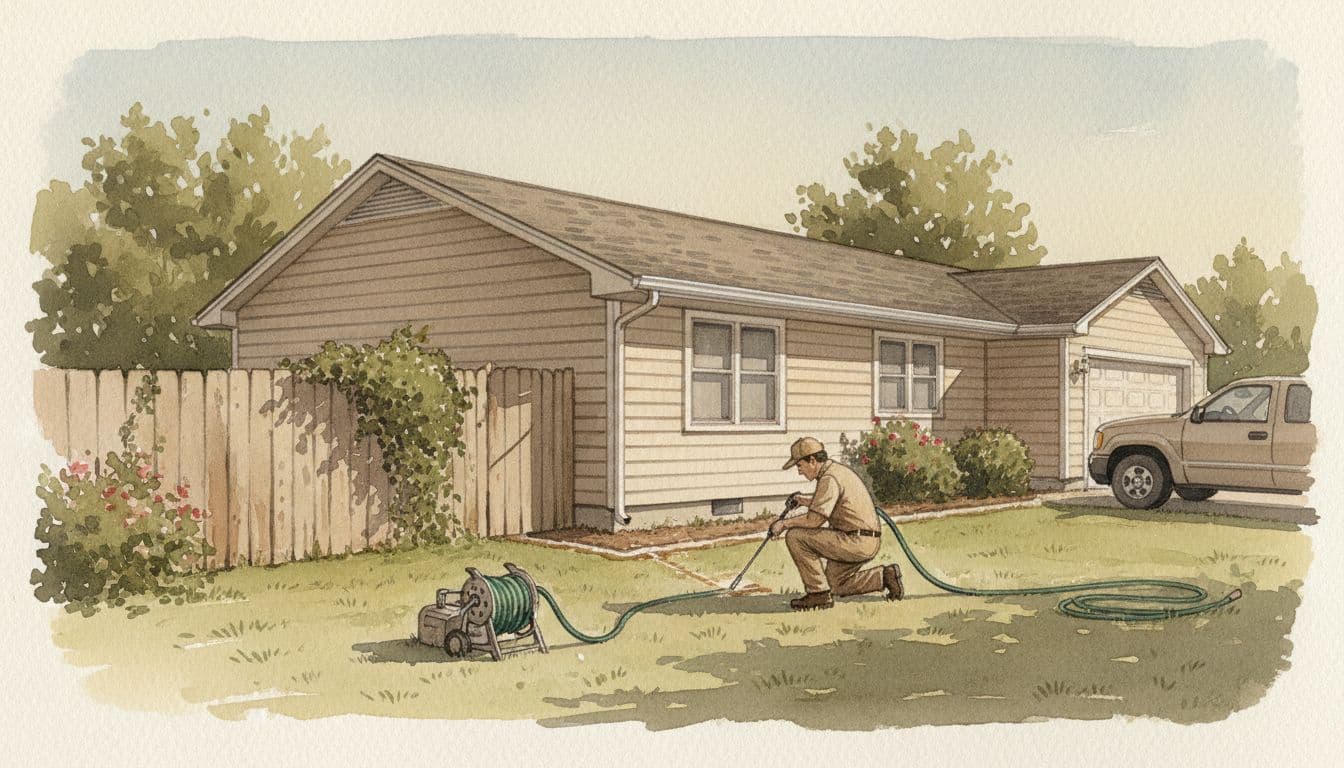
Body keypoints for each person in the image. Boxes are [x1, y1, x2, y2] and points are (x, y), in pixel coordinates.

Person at [770, 437, 904, 611]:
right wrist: (802, 500)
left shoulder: (829, 478)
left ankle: (817, 594)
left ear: (812, 460)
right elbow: (829, 502)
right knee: (835, 584)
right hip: (862, 540)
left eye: (799, 465)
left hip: (855, 541)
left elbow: (815, 520)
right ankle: (885, 577)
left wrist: (784, 524)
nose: (799, 472)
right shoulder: (835, 472)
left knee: (795, 536)